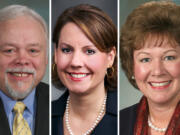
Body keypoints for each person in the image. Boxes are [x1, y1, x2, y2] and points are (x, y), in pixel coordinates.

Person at [52, 4, 117, 135]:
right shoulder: (45, 115)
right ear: (56, 54)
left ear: (110, 57)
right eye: (66, 50)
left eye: (89, 51)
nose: (75, 62)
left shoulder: (126, 119)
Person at [120, 1, 180, 135]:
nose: (158, 71)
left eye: (169, 57)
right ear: (131, 66)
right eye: (145, 59)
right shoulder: (120, 122)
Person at [0, 5, 49, 135]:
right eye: (9, 50)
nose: (22, 60)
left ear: (46, 58)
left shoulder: (58, 106)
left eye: (33, 50)